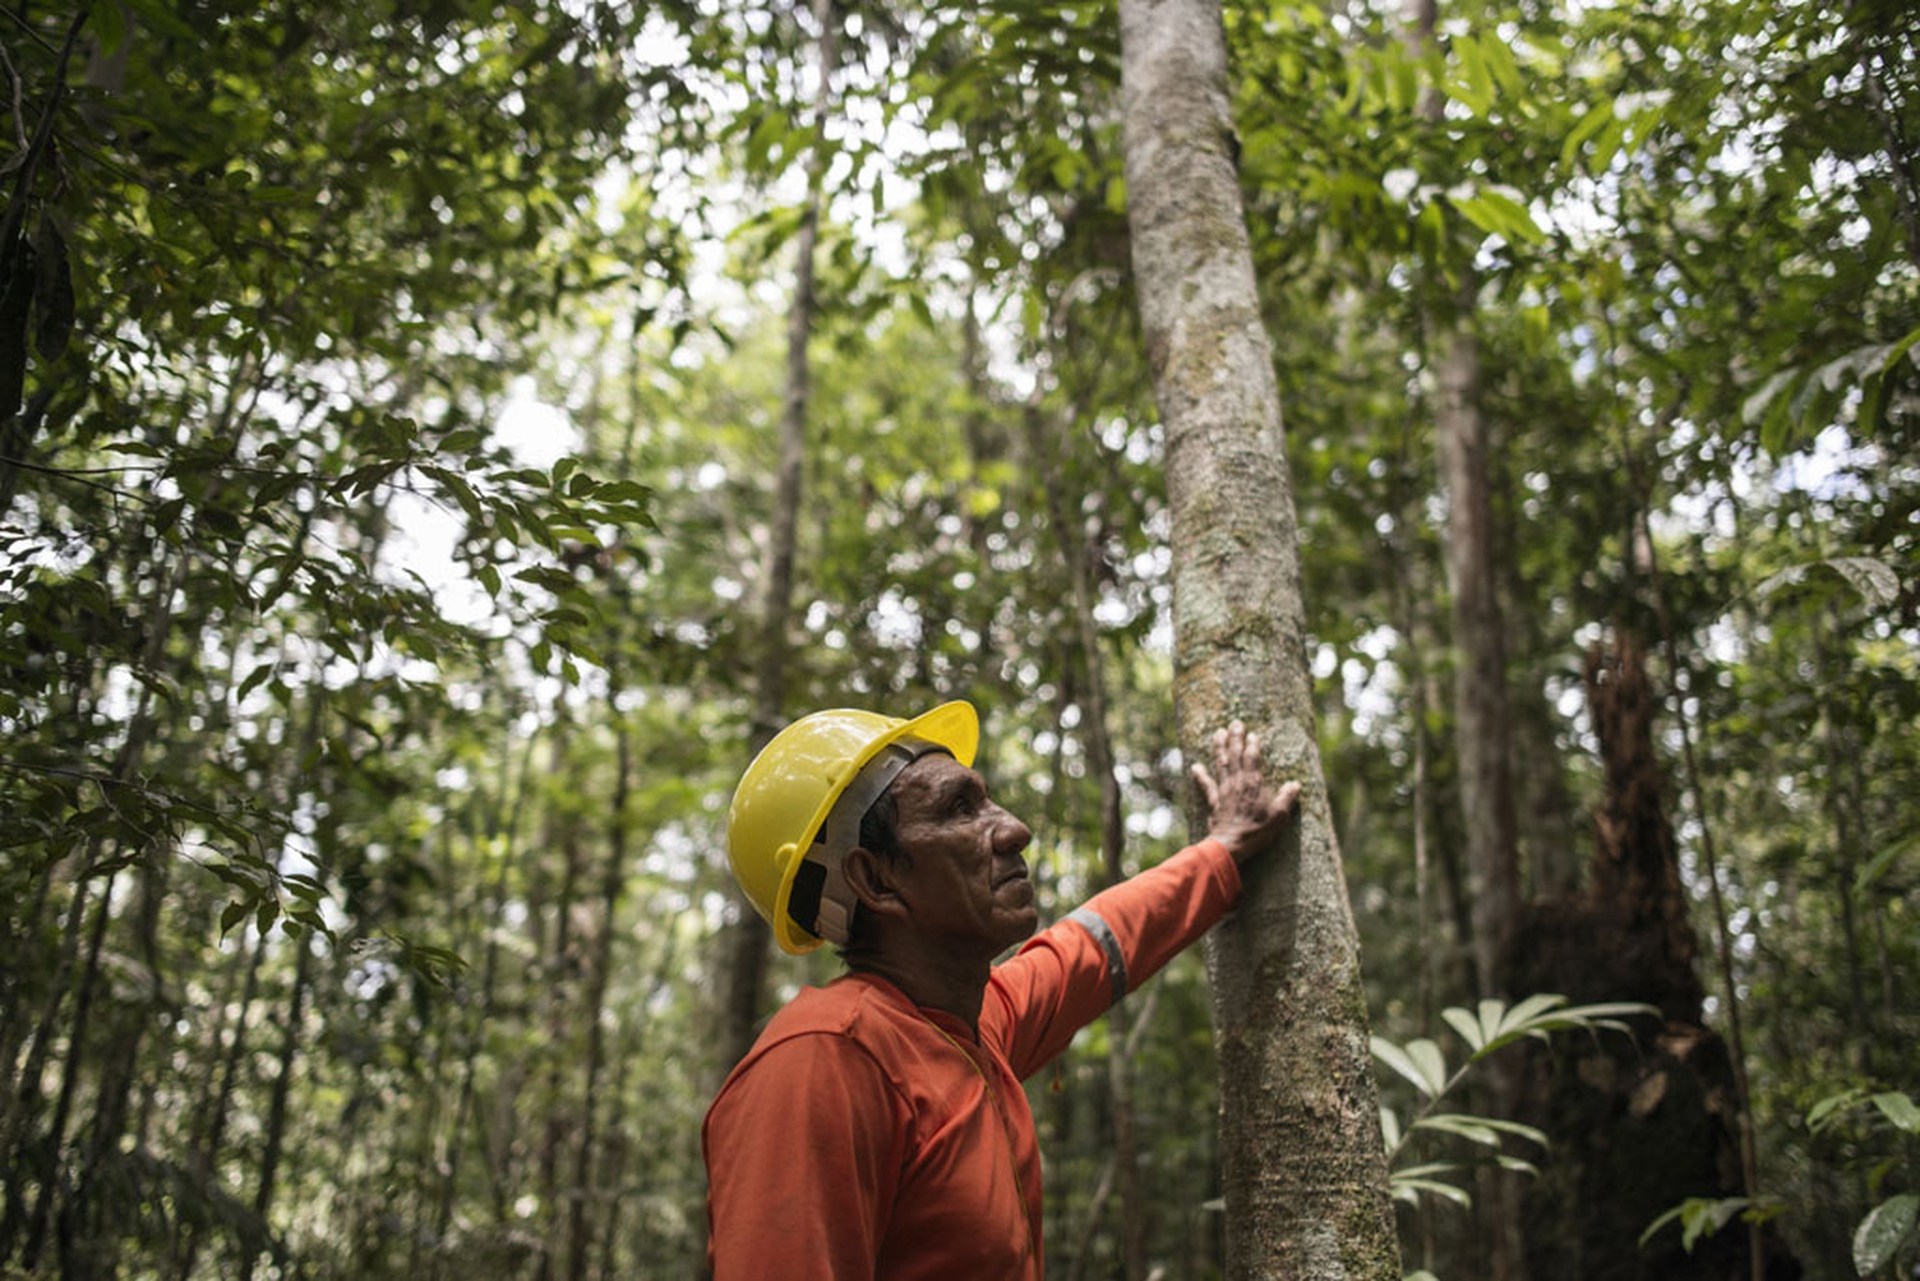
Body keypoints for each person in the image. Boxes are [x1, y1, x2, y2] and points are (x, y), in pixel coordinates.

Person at [703, 700, 1301, 1280]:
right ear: (875, 879)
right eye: (959, 810)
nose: (1015, 829)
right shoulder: (826, 1059)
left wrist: (1223, 849)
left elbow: (1091, 947)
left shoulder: (969, 1026)